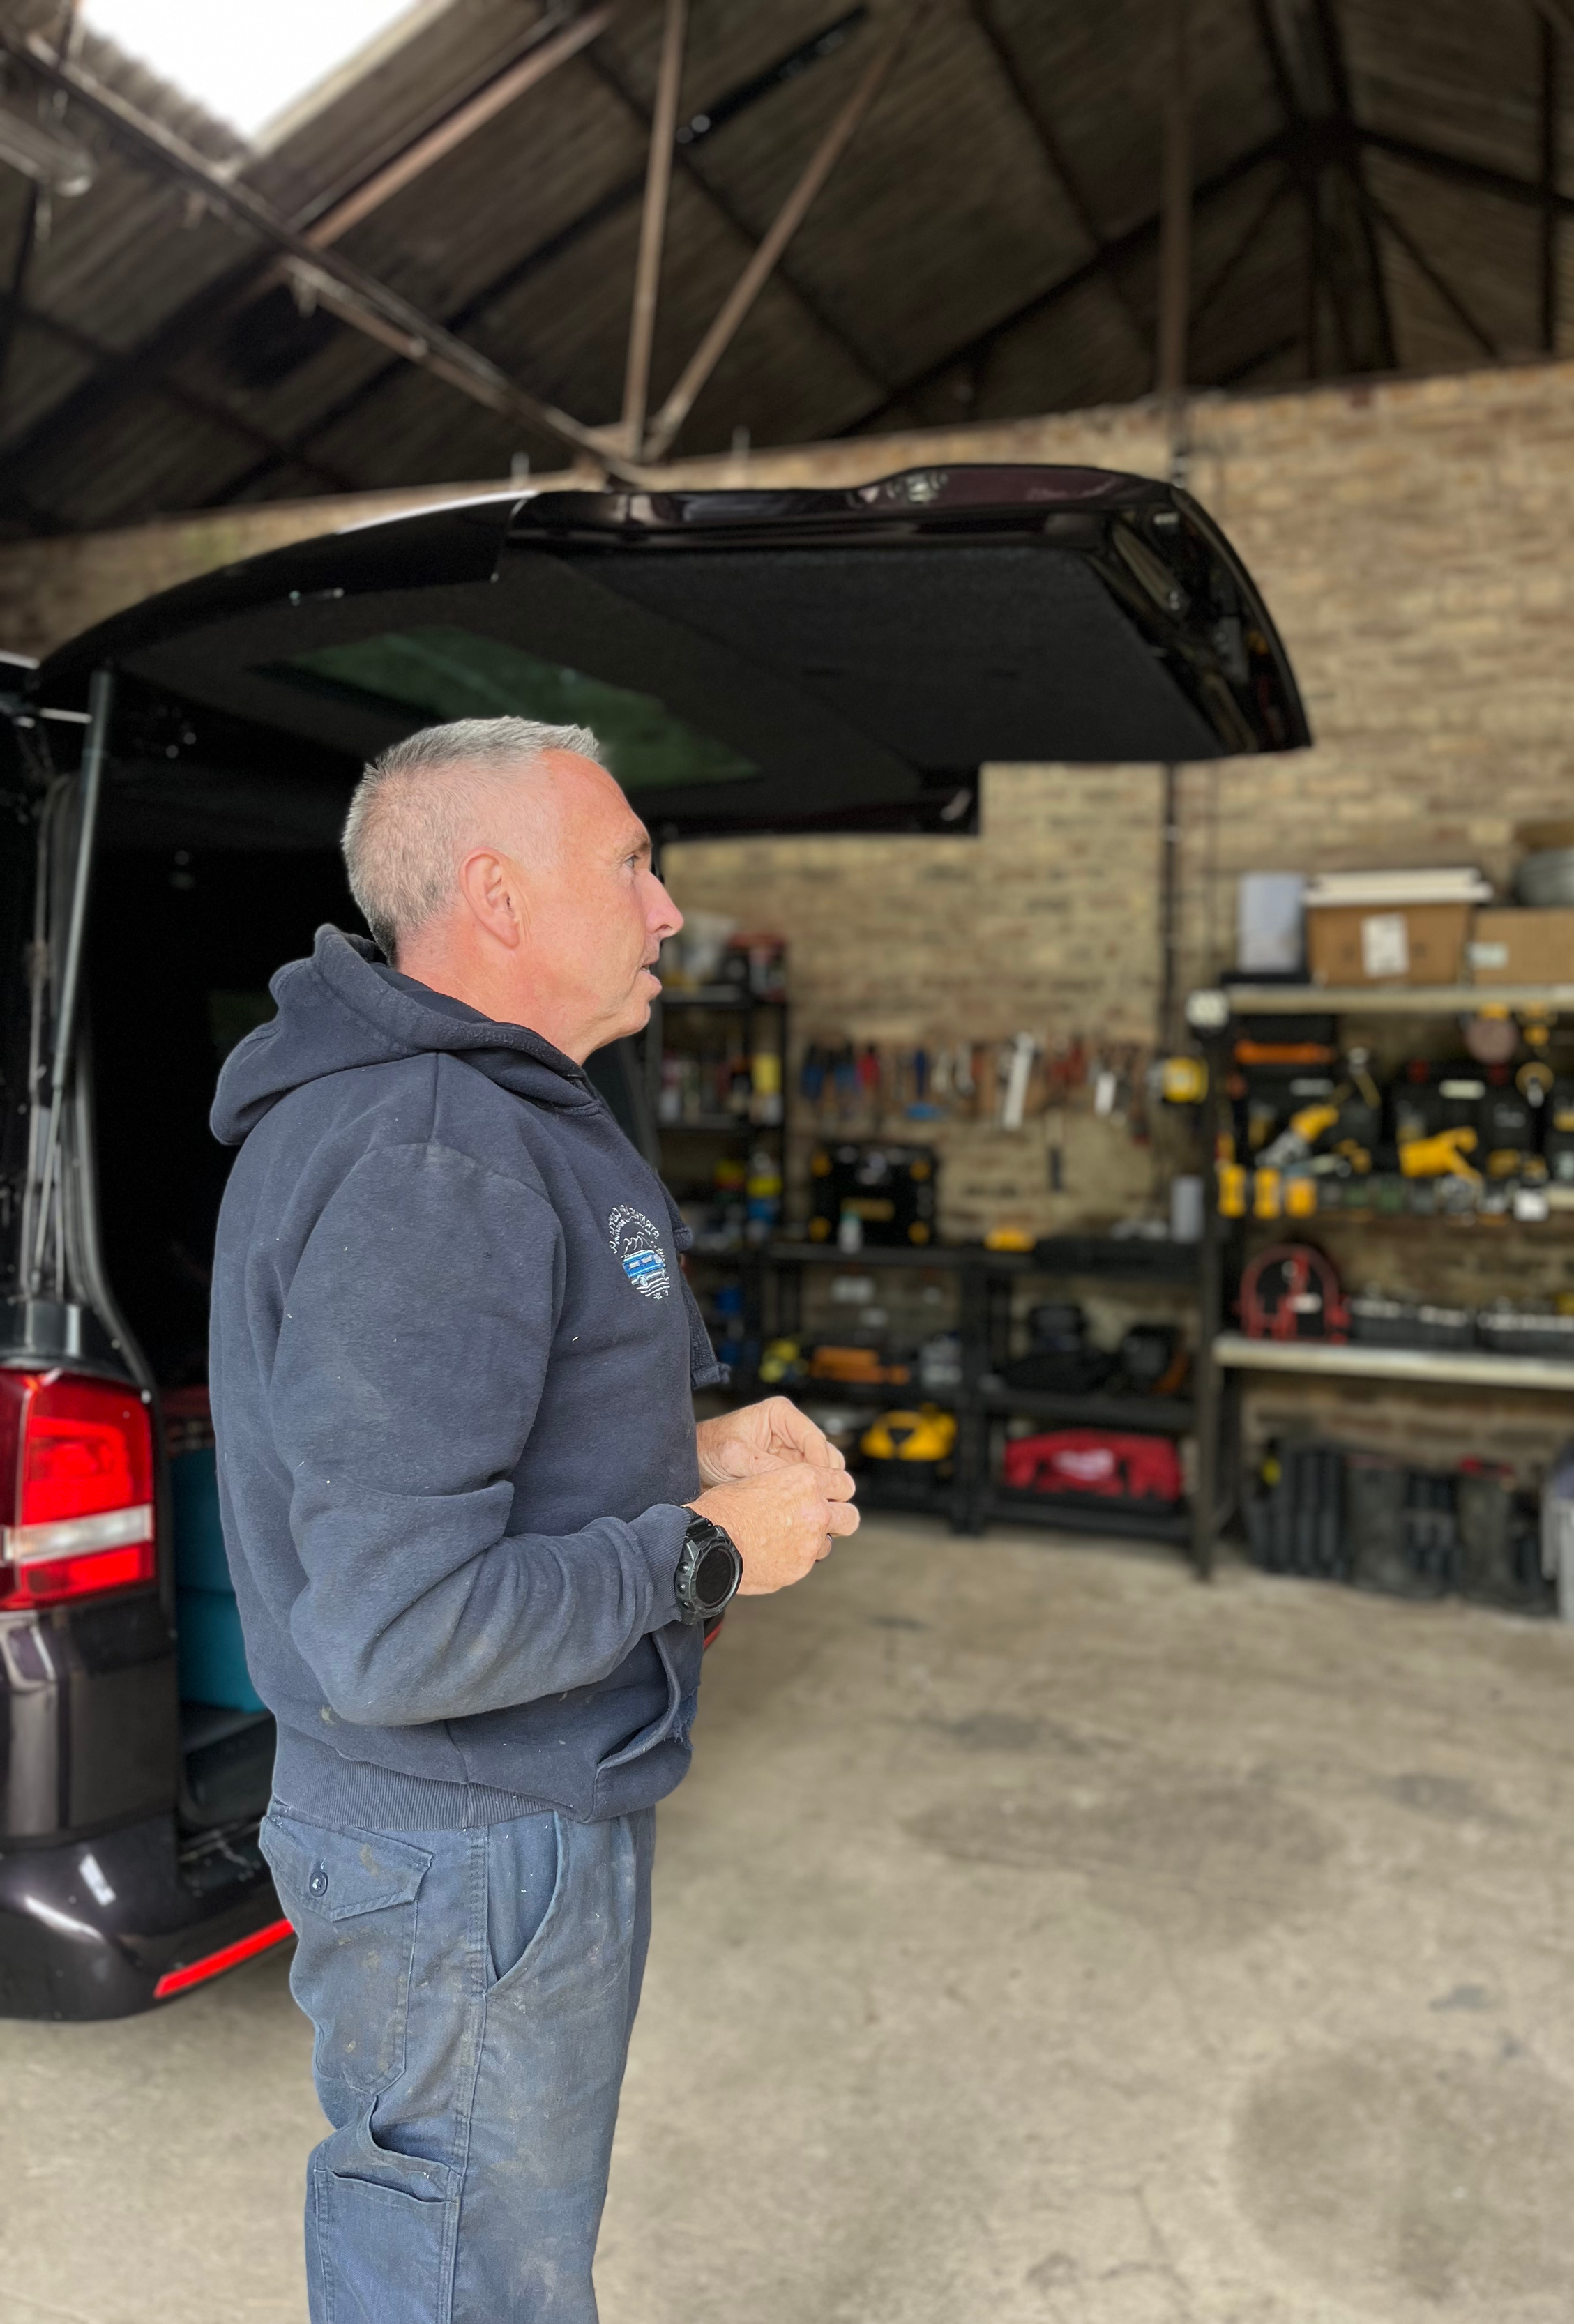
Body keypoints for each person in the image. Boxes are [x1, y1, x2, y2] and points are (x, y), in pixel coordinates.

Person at [207, 715, 857, 2324]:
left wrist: (678, 1442)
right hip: (464, 1837)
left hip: (489, 1825)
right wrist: (705, 1549)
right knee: (465, 2278)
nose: (666, 909)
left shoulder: (488, 1119)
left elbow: (487, 1433)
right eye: (631, 861)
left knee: (482, 2249)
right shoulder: (435, 1148)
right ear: (495, 896)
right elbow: (400, 1623)